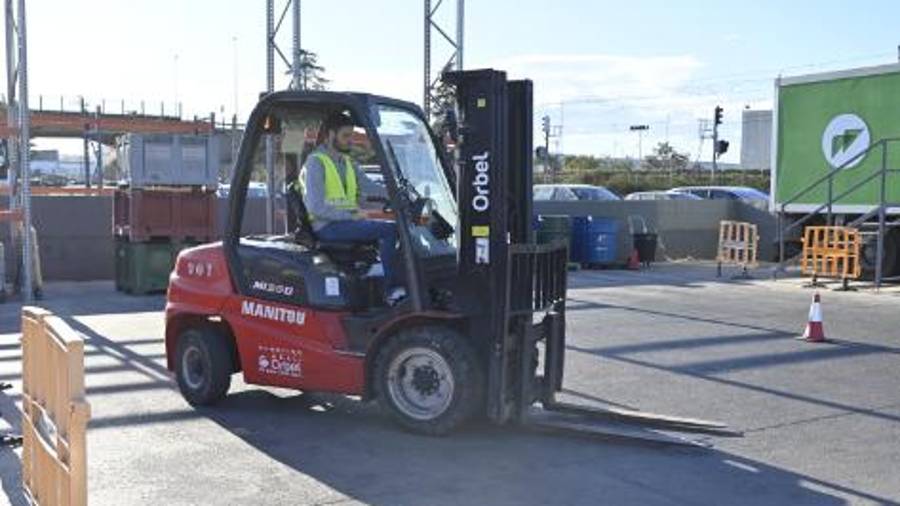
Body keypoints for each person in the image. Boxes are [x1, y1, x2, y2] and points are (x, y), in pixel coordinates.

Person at [296, 112, 404, 301]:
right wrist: (352, 215)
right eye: (345, 136)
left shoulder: (347, 162)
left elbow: (369, 186)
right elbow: (316, 207)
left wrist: (396, 193)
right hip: (327, 226)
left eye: (351, 136)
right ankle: (393, 291)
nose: (350, 141)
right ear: (330, 135)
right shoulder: (315, 163)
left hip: (345, 222)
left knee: (400, 226)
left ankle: (393, 283)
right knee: (389, 231)